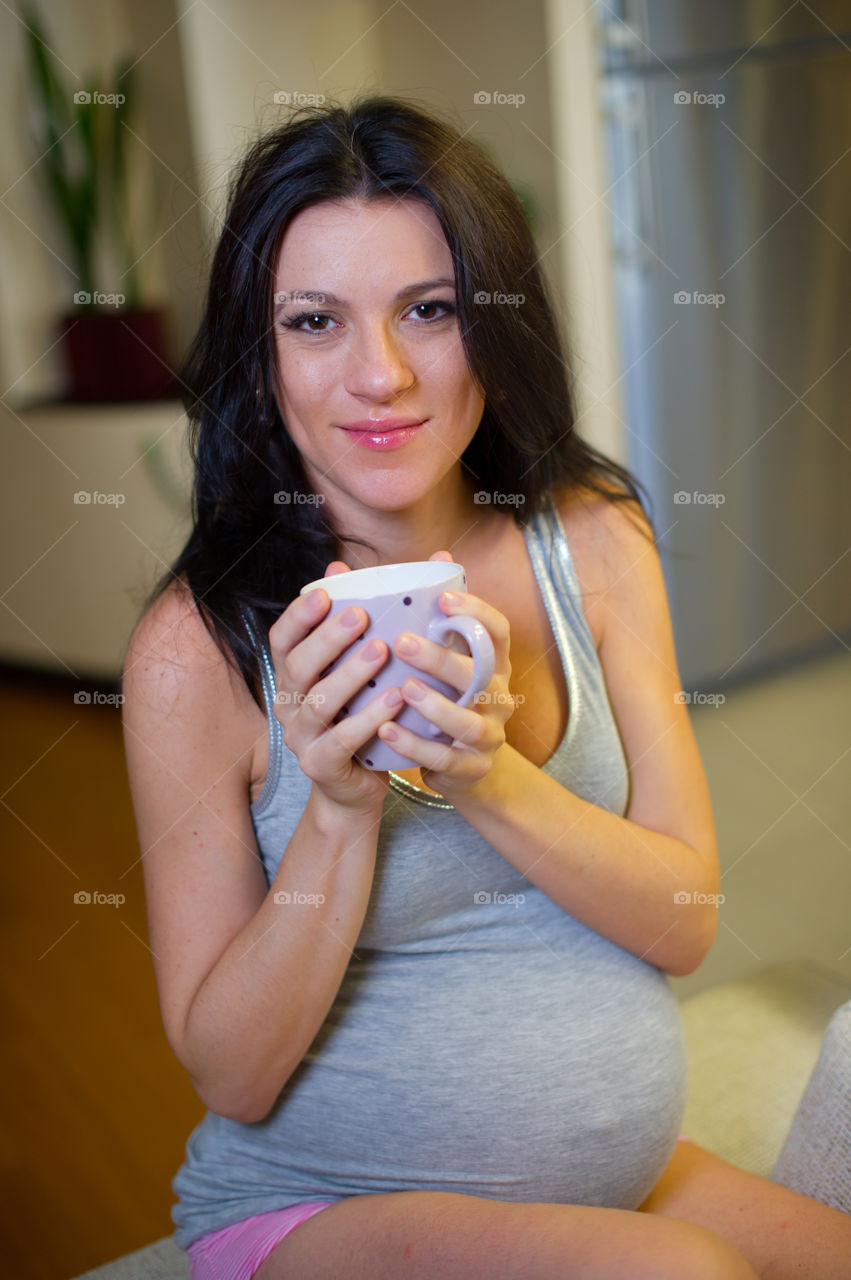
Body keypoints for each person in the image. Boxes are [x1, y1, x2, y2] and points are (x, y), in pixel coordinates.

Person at [122, 95, 850, 1280]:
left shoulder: (594, 537)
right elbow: (230, 1072)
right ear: (261, 368)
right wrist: (344, 806)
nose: (382, 372)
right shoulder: (191, 653)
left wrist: (485, 775)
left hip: (620, 1170)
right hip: (311, 1208)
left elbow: (683, 922)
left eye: (429, 307)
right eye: (315, 321)